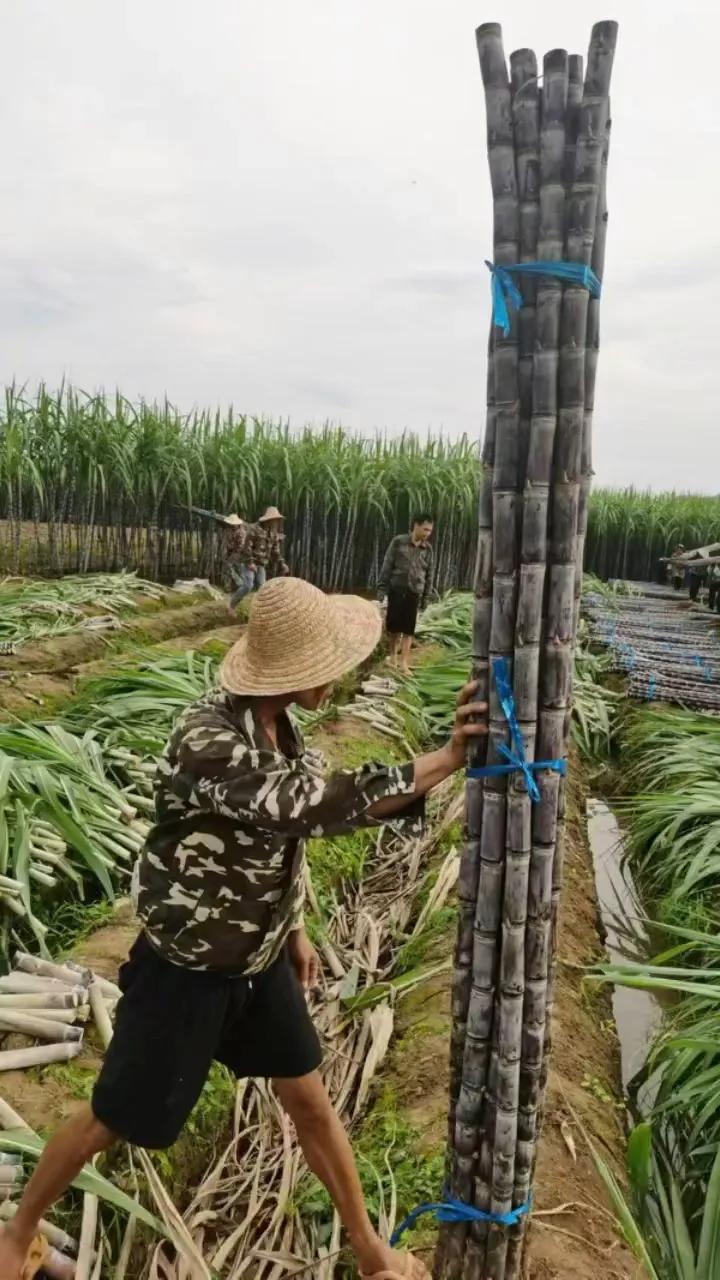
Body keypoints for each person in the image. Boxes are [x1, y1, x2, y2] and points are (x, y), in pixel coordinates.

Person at [0, 577, 486, 1280]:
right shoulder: (206, 739)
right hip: (188, 970)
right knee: (111, 1119)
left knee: (310, 1103)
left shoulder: (281, 729)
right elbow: (307, 807)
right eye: (327, 664)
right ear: (290, 670)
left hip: (255, 964)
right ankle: (18, 1233)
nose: (339, 676)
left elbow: (282, 842)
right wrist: (442, 760)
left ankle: (370, 1251)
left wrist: (291, 929)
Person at [378, 514, 434, 674]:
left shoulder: (428, 549)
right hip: (397, 589)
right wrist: (382, 590)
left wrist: (426, 598)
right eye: (425, 529)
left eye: (430, 531)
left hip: (414, 591)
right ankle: (393, 657)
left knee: (409, 629)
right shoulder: (398, 542)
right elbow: (387, 565)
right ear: (415, 525)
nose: (427, 533)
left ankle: (404, 663)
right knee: (394, 626)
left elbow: (429, 574)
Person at [230, 505, 289, 609]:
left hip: (261, 563)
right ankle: (232, 605)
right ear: (269, 520)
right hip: (249, 562)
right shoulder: (254, 529)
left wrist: (282, 563)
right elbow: (247, 547)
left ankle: (259, 611)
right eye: (275, 520)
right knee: (248, 585)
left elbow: (276, 551)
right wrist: (250, 562)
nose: (276, 523)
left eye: (277, 520)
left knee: (262, 588)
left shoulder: (273, 533)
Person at [220, 513, 250, 611]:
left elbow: (241, 546)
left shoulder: (241, 532)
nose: (233, 525)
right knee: (230, 568)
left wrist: (234, 553)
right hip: (231, 552)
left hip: (239, 553)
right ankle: (230, 587)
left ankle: (240, 585)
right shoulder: (228, 530)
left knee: (231, 567)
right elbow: (226, 543)